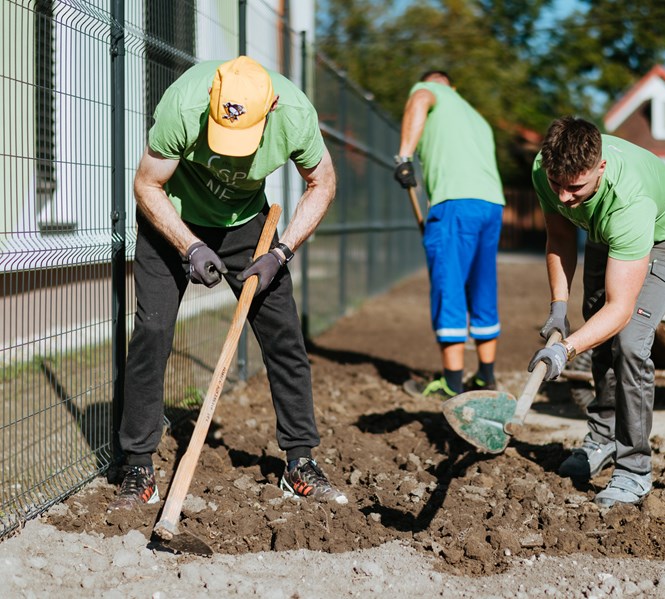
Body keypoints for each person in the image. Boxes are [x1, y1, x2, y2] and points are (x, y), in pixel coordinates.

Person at [108, 56, 347, 511]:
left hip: (247, 227)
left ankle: (300, 461)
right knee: (153, 331)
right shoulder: (184, 104)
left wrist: (281, 252)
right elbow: (147, 185)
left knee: (284, 337)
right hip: (172, 217)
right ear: (213, 103)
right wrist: (190, 246)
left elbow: (323, 182)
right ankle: (138, 464)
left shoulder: (294, 114)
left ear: (271, 106)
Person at [529, 116, 665, 507]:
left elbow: (620, 310)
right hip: (603, 231)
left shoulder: (629, 200)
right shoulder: (546, 170)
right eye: (558, 185)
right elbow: (558, 235)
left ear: (600, 168)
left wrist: (564, 350)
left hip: (663, 234)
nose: (565, 197)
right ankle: (603, 438)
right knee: (596, 330)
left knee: (629, 341)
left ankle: (634, 468)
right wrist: (558, 307)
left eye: (576, 187)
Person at [393, 70, 505, 400]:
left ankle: (452, 383)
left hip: (455, 204)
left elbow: (419, 99)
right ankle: (486, 376)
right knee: (483, 286)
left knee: (448, 284)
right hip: (491, 204)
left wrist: (404, 157)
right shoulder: (477, 117)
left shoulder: (429, 91)